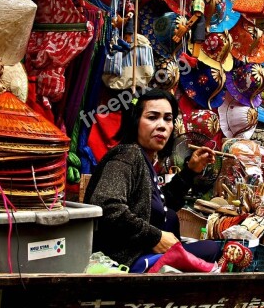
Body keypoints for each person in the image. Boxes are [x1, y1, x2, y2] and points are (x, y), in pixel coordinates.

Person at [83, 88, 222, 272]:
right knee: (219, 249)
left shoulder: (144, 159)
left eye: (168, 118)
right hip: (126, 262)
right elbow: (107, 205)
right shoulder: (128, 155)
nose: (162, 125)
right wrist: (154, 237)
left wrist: (190, 172)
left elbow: (161, 205)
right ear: (136, 122)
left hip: (143, 255)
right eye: (152, 117)